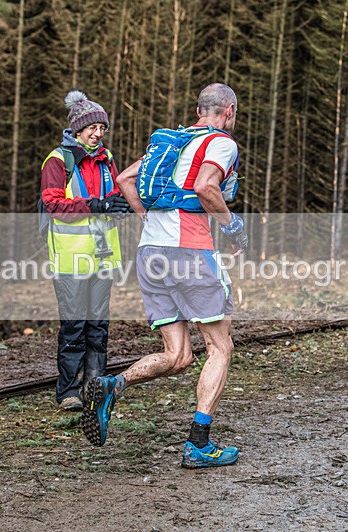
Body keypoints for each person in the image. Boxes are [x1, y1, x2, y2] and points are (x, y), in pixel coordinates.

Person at [81, 83, 248, 468]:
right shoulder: (221, 143)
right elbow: (207, 186)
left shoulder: (171, 142)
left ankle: (111, 385)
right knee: (220, 347)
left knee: (179, 356)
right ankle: (199, 444)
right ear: (229, 111)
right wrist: (233, 225)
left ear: (198, 109)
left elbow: (124, 180)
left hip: (150, 252)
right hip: (189, 251)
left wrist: (148, 218)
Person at [40, 90, 131, 412]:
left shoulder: (106, 160)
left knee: (98, 325)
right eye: (92, 128)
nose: (98, 133)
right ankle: (68, 392)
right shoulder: (58, 160)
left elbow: (115, 196)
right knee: (74, 326)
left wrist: (119, 207)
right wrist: (95, 205)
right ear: (77, 129)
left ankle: (94, 385)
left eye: (102, 128)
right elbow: (53, 204)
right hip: (71, 256)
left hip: (104, 256)